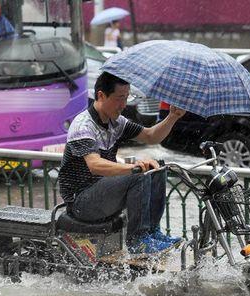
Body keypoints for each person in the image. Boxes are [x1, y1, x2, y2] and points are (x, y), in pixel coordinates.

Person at [58, 72, 186, 254]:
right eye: (119, 98)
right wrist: (133, 168)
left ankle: (152, 232)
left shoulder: (117, 122)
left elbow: (151, 136)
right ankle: (138, 241)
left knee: (157, 168)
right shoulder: (82, 125)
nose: (124, 105)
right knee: (138, 175)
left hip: (104, 192)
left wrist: (173, 116)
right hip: (81, 202)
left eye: (126, 98)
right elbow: (94, 165)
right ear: (101, 95)